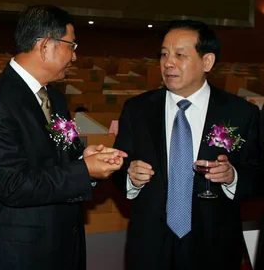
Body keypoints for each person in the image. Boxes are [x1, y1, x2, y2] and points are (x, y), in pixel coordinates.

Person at [0, 5, 126, 270]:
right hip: (20, 254)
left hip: (63, 243)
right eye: (71, 46)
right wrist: (83, 170)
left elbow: (61, 158)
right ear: (45, 46)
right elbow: (13, 185)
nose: (74, 57)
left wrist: (85, 157)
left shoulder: (54, 98)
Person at [112, 19, 262, 270]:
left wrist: (232, 176)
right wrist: (130, 176)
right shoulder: (137, 109)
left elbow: (258, 174)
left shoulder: (241, 113)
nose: (168, 63)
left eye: (180, 55)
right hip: (150, 243)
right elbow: (119, 166)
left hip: (214, 243)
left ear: (207, 62)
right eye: (164, 54)